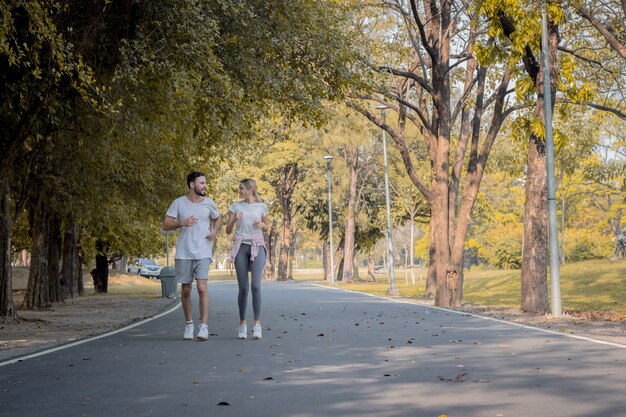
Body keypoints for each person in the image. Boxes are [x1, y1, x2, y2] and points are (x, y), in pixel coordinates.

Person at [163, 171, 221, 341]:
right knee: (186, 290)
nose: (205, 186)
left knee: (202, 287)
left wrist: (214, 231)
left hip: (203, 251)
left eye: (205, 183)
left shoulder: (209, 203)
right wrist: (181, 222)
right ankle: (189, 323)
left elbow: (217, 219)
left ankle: (204, 326)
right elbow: (166, 224)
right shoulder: (178, 203)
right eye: (202, 183)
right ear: (191, 184)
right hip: (184, 252)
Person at [225, 179, 269, 340]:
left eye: (241, 188)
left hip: (257, 246)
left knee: (256, 286)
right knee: (243, 288)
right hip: (240, 247)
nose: (239, 191)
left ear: (250, 190)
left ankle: (257, 324)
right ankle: (242, 324)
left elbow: (267, 227)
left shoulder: (262, 207)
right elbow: (228, 231)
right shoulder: (235, 206)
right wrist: (233, 219)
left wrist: (262, 226)